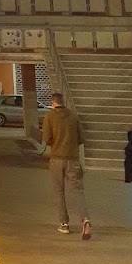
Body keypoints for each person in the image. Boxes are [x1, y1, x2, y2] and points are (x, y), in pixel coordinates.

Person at [41, 92, 91, 239]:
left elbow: (46, 139)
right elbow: (82, 138)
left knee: (59, 191)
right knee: (77, 191)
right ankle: (85, 219)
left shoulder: (49, 116)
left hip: (56, 159)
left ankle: (64, 224)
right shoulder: (73, 116)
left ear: (53, 102)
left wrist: (56, 142)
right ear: (63, 101)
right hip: (73, 159)